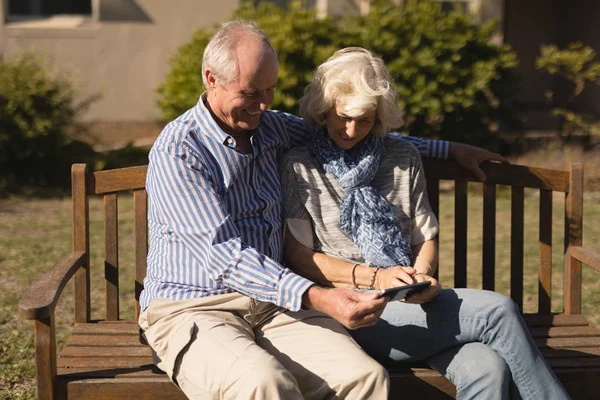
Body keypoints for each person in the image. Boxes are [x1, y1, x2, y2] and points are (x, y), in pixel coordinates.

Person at [138, 20, 509, 400]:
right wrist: (319, 296)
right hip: (197, 307)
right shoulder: (181, 151)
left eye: (270, 90)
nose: (264, 104)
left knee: (365, 379)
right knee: (263, 384)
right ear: (211, 78)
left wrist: (448, 151)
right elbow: (225, 257)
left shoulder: (269, 127)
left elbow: (359, 134)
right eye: (250, 92)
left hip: (274, 306)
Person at [279, 47, 570, 400]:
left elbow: (423, 235)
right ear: (324, 109)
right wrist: (377, 277)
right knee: (498, 311)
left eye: (365, 119)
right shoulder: (299, 165)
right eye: (343, 116)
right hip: (350, 312)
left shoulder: (402, 157)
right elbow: (300, 256)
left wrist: (421, 277)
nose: (351, 129)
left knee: (488, 369)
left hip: (411, 304)